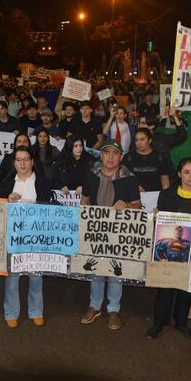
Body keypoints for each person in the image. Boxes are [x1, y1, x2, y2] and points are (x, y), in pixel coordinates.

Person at [146, 158, 191, 340]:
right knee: (165, 289)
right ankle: (158, 324)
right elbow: (160, 221)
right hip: (170, 253)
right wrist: (156, 216)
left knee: (186, 290)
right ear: (179, 174)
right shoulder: (167, 195)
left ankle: (182, 323)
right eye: (186, 172)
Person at [79, 139, 142, 330]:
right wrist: (82, 223)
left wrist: (128, 205)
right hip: (95, 229)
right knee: (96, 268)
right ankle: (94, 305)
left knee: (116, 269)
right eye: (107, 153)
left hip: (118, 232)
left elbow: (138, 206)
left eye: (115, 153)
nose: (111, 157)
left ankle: (114, 308)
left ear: (121, 157)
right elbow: (85, 199)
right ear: (101, 155)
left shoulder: (129, 178)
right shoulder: (91, 175)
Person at [0, 146, 52, 328]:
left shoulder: (43, 182)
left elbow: (49, 210)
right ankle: (11, 312)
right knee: (12, 277)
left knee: (36, 276)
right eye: (19, 159)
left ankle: (36, 311)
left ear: (32, 161)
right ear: (14, 163)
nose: (22, 163)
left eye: (26, 159)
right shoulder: (7, 184)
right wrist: (8, 202)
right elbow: (0, 211)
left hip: (36, 237)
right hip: (14, 237)